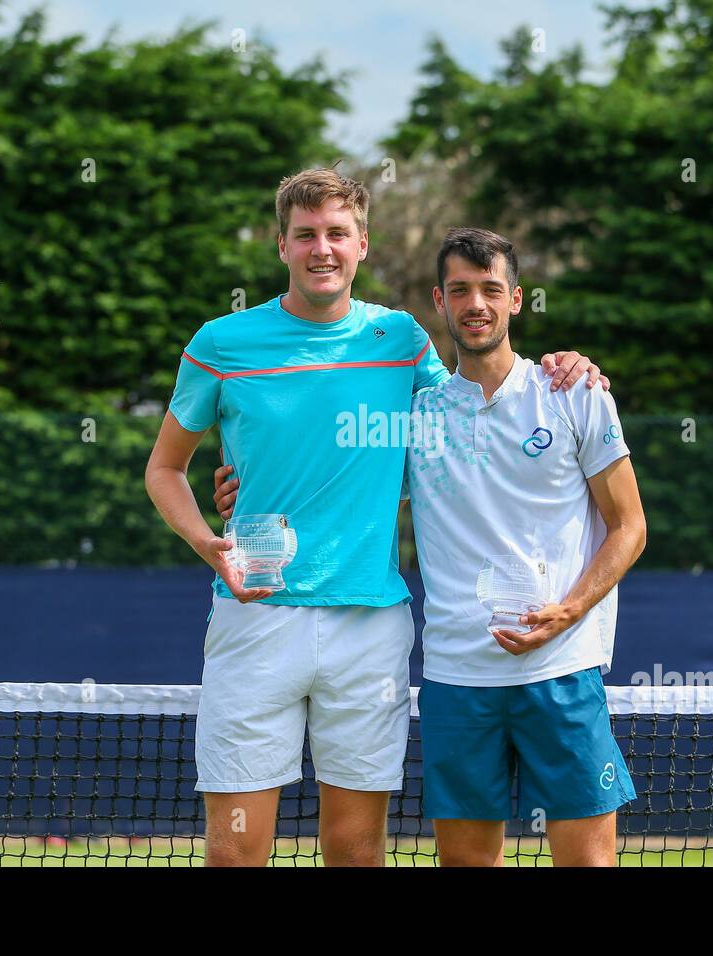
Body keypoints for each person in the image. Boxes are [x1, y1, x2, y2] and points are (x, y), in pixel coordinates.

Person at [145, 168, 609, 866]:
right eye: (306, 235)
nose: (322, 249)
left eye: (338, 234)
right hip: (254, 619)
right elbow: (163, 469)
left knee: (357, 851)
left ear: (363, 245)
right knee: (234, 853)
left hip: (371, 630)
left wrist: (568, 366)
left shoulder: (402, 341)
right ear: (282, 246)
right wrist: (210, 540)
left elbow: (472, 412)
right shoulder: (220, 343)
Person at [405, 227, 647, 866]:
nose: (475, 304)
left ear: (517, 299)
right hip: (457, 681)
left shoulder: (575, 394)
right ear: (440, 300)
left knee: (588, 864)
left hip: (562, 672)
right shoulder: (413, 417)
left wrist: (568, 612)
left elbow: (630, 527)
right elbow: (337, 490)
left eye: (491, 289)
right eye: (460, 290)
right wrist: (245, 491)